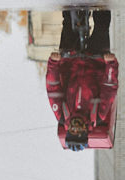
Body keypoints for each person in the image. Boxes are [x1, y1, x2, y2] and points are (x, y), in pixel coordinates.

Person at [45, 9, 118, 151]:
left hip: (69, 61)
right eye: (79, 132)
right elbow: (109, 88)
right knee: (102, 24)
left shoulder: (61, 113)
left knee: (68, 24)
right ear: (86, 131)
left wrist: (54, 64)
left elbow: (52, 88)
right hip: (96, 62)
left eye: (71, 132)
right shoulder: (98, 114)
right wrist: (110, 65)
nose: (75, 129)